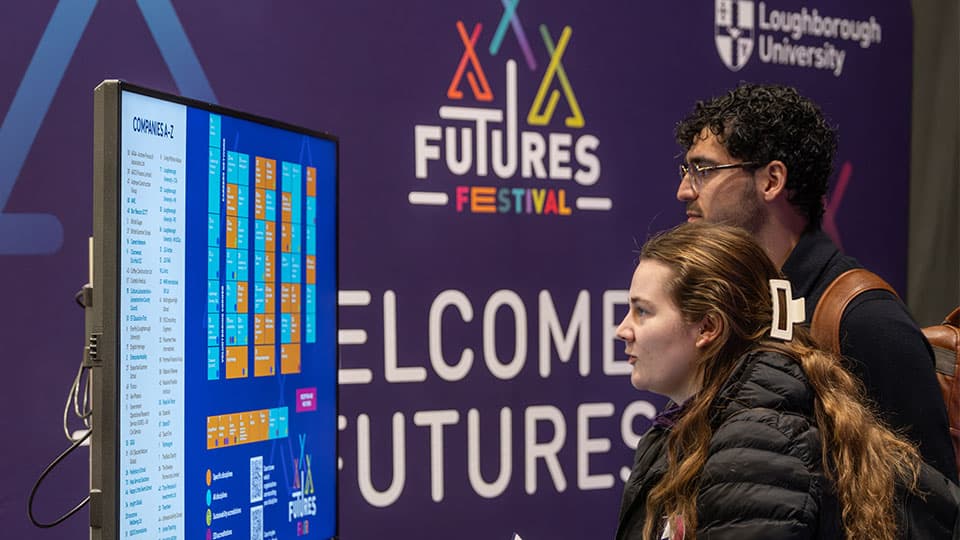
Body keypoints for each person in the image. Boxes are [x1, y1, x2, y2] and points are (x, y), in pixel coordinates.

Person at [673, 82, 957, 480]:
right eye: (687, 170)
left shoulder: (866, 320)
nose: (684, 189)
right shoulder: (736, 306)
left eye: (703, 170)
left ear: (771, 181)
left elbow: (931, 503)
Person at [614, 223, 957, 540]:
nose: (623, 330)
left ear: (708, 328)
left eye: (642, 311)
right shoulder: (678, 434)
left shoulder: (757, 445)